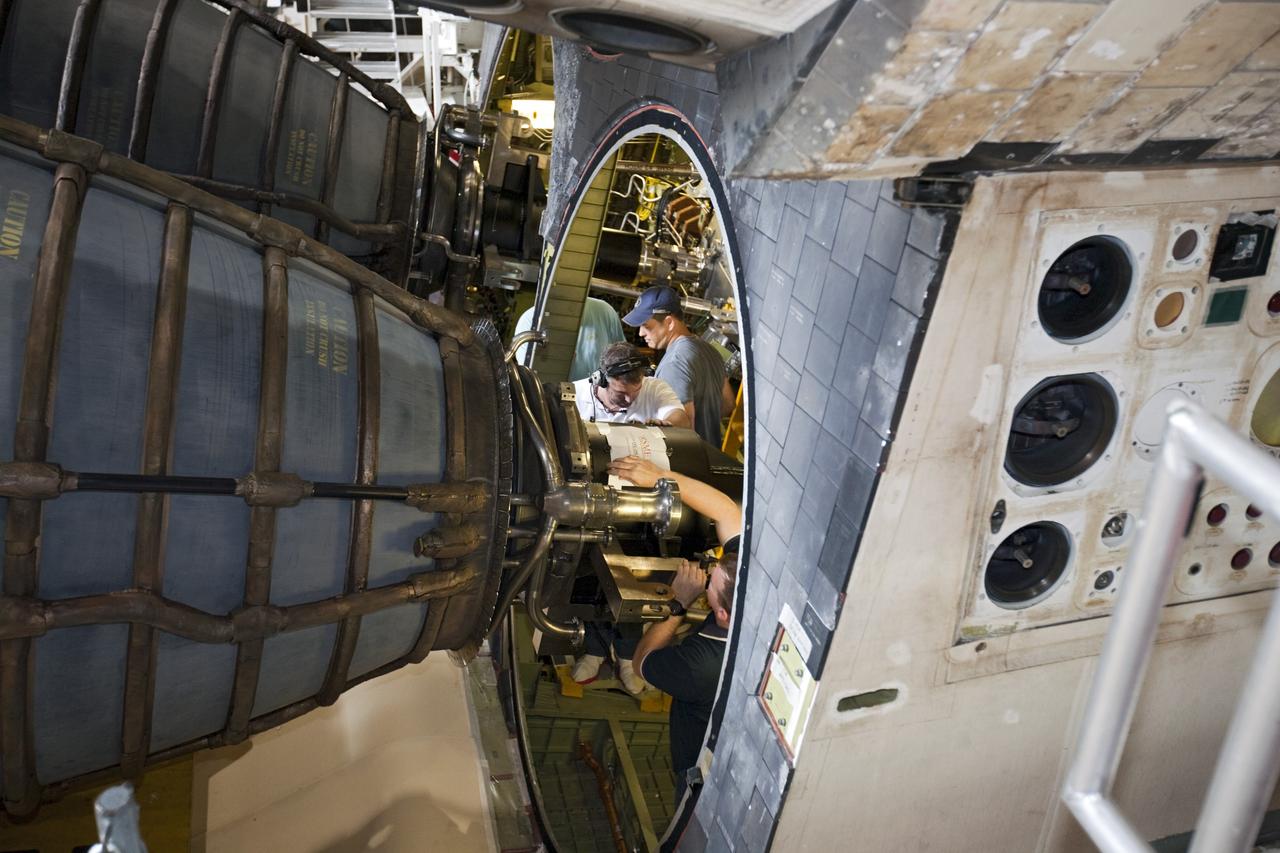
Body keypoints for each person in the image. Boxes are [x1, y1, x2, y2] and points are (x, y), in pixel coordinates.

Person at [608, 455, 742, 799]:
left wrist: (679, 604)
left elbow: (642, 662)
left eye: (710, 582)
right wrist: (660, 476)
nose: (707, 574)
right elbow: (727, 511)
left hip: (705, 777)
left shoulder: (702, 666)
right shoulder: (748, 583)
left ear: (723, 615)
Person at [623, 285, 734, 445]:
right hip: (712, 452)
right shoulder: (709, 349)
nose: (641, 333)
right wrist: (705, 424)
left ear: (669, 323)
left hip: (691, 458)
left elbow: (682, 429)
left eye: (646, 326)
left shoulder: (673, 363)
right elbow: (728, 403)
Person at [571, 341, 691, 429]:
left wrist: (667, 424)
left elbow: (681, 418)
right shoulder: (574, 395)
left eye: (636, 390)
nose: (629, 399)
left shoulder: (655, 387)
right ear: (601, 380)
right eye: (621, 393)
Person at [512, 295, 625, 382]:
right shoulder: (530, 321)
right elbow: (530, 376)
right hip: (551, 398)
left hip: (598, 399)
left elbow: (622, 361)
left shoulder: (604, 311)